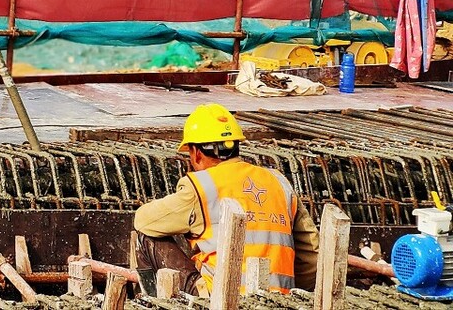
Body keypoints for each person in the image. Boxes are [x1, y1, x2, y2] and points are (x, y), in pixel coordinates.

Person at [133, 103, 319, 295]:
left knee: (146, 238)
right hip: (279, 299)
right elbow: (311, 253)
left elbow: (143, 221)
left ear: (196, 153)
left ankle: (152, 304)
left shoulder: (200, 186)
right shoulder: (279, 182)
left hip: (217, 300)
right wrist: (293, 293)